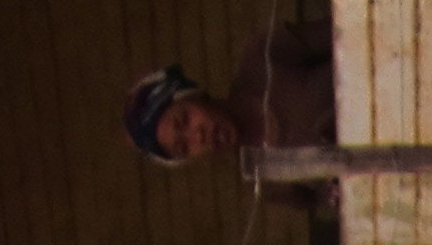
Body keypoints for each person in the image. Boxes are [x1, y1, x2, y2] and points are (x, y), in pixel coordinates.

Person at [123, 19, 335, 167]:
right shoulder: (265, 179)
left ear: (190, 94)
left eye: (185, 120)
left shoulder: (261, 60)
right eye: (184, 147)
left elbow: (349, 27)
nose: (198, 136)